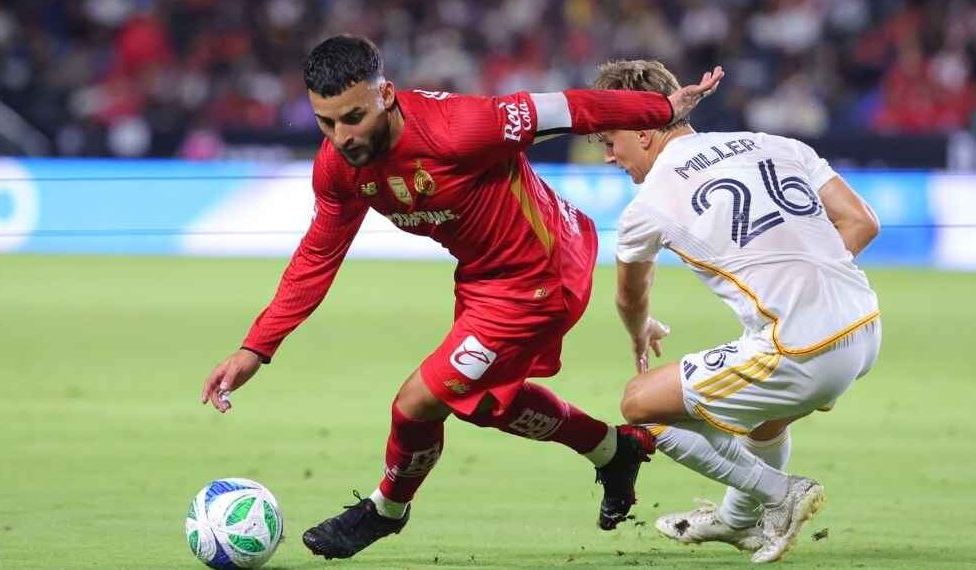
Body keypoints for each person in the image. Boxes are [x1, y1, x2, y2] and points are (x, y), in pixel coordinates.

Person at [198, 35, 724, 560]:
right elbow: (318, 256)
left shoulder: (461, 128)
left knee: (417, 402)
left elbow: (566, 108)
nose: (342, 137)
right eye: (326, 122)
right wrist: (255, 349)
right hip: (485, 280)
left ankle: (385, 511)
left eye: (352, 117)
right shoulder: (339, 168)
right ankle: (614, 450)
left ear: (386, 95)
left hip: (541, 273)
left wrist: (661, 108)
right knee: (484, 403)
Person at [591, 59, 882, 563]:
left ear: (642, 132)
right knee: (764, 420)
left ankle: (778, 494)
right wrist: (805, 287)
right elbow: (861, 222)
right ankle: (735, 520)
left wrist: (642, 329)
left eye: (609, 140)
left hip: (801, 347)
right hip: (865, 327)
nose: (609, 156)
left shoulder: (648, 204)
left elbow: (630, 298)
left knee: (640, 404)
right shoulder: (775, 144)